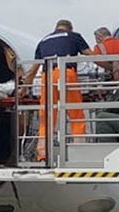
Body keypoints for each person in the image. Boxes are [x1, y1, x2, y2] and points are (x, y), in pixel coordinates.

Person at [22, 20, 92, 161]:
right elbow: (91, 55)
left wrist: (23, 88)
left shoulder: (43, 41)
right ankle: (79, 151)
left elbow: (33, 69)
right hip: (66, 72)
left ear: (56, 28)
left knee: (46, 116)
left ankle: (42, 154)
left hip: (47, 76)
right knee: (75, 113)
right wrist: (110, 66)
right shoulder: (73, 36)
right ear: (70, 28)